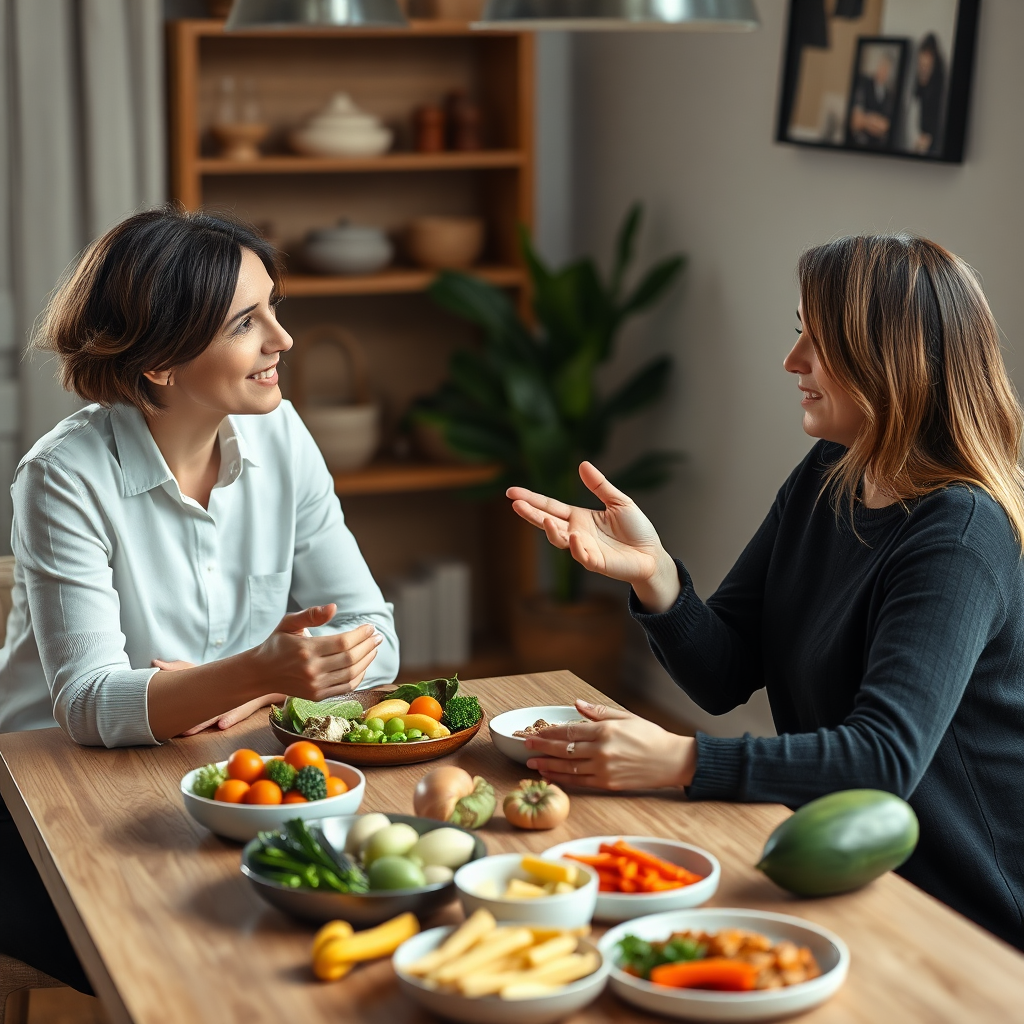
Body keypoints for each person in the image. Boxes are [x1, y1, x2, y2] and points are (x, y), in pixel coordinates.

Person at [508, 234, 1024, 952]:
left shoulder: (960, 535)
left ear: (891, 363)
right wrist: (655, 575)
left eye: (821, 341)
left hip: (962, 917)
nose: (793, 361)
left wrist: (680, 760)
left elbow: (883, 760)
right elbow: (723, 674)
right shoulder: (830, 472)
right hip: (839, 868)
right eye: (798, 332)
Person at [0, 206, 399, 989]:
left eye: (273, 308)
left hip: (211, 771)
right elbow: (85, 703)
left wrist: (249, 695)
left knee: (334, 929)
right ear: (161, 362)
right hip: (41, 801)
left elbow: (375, 632)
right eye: (247, 322)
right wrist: (260, 674)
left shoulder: (283, 437)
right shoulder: (64, 476)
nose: (282, 339)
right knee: (200, 964)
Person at [847, 46, 901, 149]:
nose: (883, 71)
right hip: (859, 139)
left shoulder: (890, 96)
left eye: (886, 69)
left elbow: (886, 124)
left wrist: (878, 124)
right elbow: (856, 116)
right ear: (878, 66)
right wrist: (869, 121)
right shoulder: (864, 83)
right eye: (882, 66)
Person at [910, 34, 946, 156]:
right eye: (921, 66)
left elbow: (938, 117)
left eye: (927, 67)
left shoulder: (939, 85)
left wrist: (929, 138)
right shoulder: (916, 83)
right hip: (919, 134)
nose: (923, 70)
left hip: (933, 139)